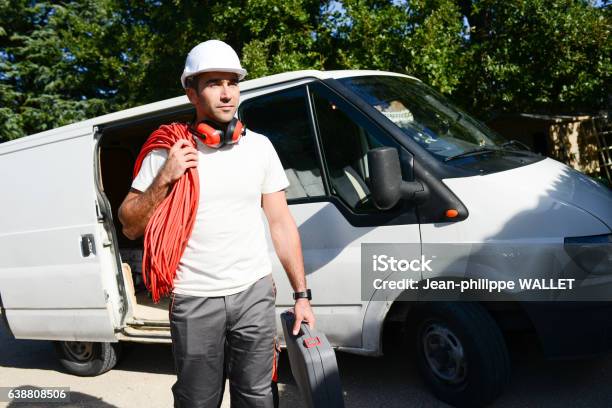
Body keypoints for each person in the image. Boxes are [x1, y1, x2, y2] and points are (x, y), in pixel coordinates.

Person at [118, 39, 315, 408]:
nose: (227, 94)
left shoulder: (260, 148)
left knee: (258, 396)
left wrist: (302, 296)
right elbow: (129, 224)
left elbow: (281, 224)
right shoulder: (167, 151)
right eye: (213, 83)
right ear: (191, 92)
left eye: (232, 82)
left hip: (254, 294)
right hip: (194, 298)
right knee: (197, 401)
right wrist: (165, 177)